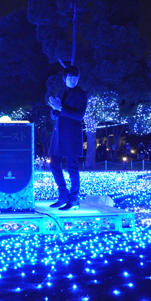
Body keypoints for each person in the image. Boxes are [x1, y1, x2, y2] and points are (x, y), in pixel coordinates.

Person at [47, 66, 88, 210]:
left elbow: (79, 116)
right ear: (65, 78)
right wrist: (54, 110)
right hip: (59, 133)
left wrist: (60, 109)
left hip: (71, 135)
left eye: (75, 78)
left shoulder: (81, 94)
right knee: (53, 163)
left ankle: (74, 198)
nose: (73, 80)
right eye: (70, 77)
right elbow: (55, 114)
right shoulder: (61, 91)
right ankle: (63, 194)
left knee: (72, 167)